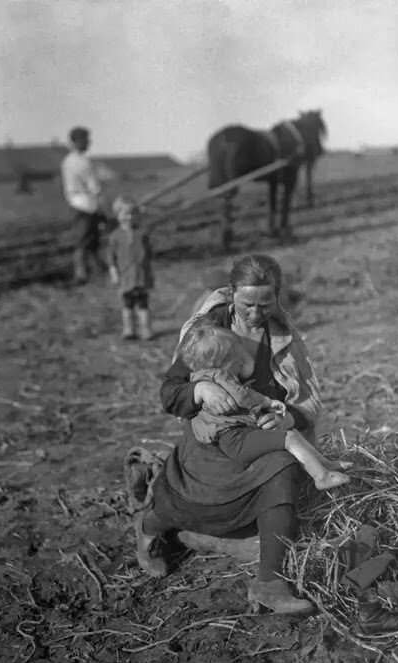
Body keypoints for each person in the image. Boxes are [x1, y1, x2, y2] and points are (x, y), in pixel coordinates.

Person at [135, 254, 333, 615]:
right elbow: (169, 393)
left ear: (278, 297)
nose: (255, 314)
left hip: (254, 435)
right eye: (247, 304)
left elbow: (305, 403)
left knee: (283, 466)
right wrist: (199, 392)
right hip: (210, 440)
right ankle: (148, 528)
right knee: (182, 504)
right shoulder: (208, 329)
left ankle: (269, 584)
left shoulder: (283, 338)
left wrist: (287, 418)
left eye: (265, 304)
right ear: (231, 294)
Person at [177, 323, 351, 490]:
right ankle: (321, 478)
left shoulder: (199, 378)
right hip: (235, 439)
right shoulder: (220, 376)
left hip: (236, 434)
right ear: (225, 363)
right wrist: (268, 402)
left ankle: (323, 464)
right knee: (289, 438)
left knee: (292, 434)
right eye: (237, 360)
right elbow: (242, 396)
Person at [61, 126, 106, 284]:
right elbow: (93, 186)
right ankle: (81, 272)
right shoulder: (84, 162)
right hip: (86, 204)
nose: (89, 142)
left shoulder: (67, 161)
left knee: (89, 238)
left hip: (75, 203)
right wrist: (101, 206)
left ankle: (97, 266)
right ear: (76, 141)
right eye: (86, 139)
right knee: (85, 239)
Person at [108, 197, 154, 341]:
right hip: (125, 277)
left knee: (143, 304)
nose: (129, 217)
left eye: (132, 214)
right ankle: (128, 329)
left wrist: (149, 273)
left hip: (141, 276)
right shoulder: (115, 236)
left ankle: (145, 329)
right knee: (127, 305)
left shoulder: (141, 234)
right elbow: (111, 257)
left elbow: (149, 253)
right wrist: (114, 273)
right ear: (118, 215)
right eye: (125, 214)